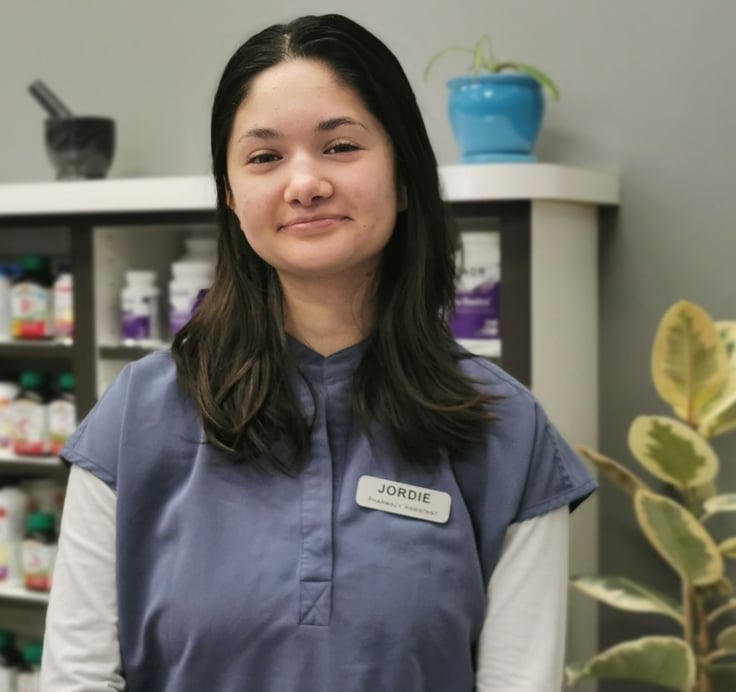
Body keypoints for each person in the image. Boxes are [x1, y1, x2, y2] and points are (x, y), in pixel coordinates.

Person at [41, 13, 596, 692]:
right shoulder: (136, 418)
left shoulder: (505, 429)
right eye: (265, 157)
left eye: (339, 146)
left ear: (403, 170)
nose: (304, 183)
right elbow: (76, 677)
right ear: (232, 198)